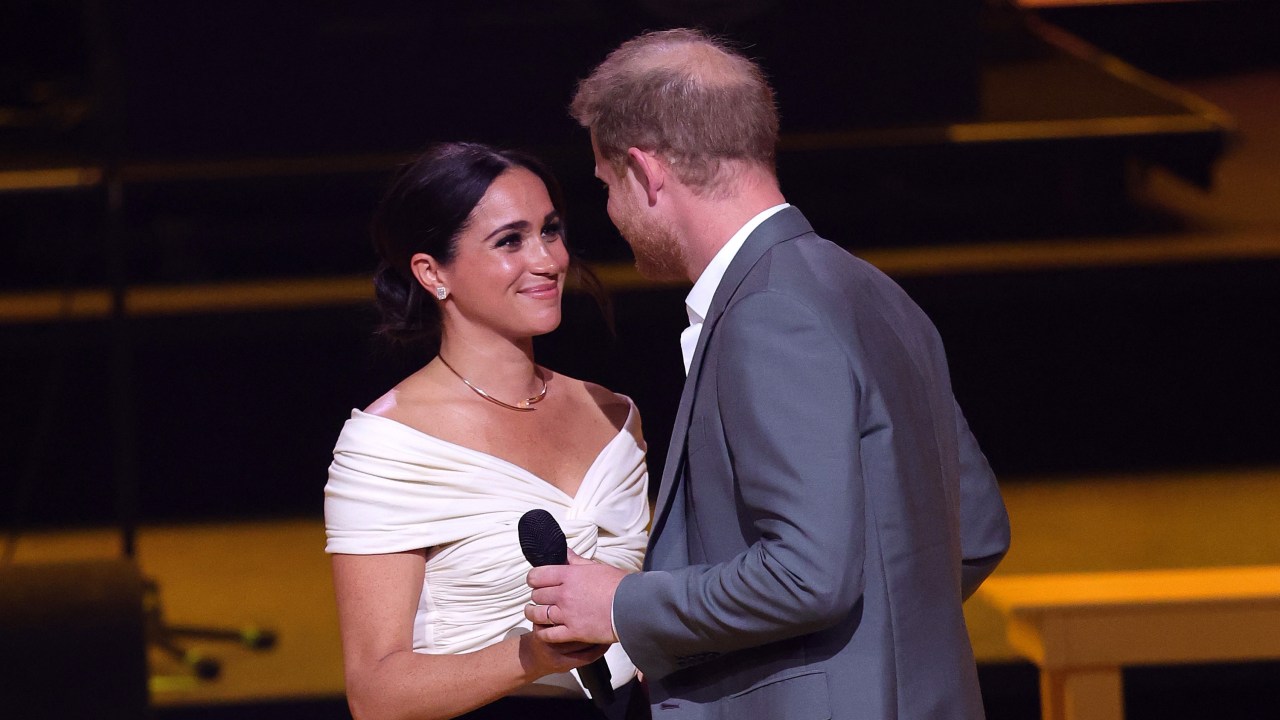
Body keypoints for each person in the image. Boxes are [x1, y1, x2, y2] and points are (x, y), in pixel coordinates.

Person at [525, 28, 1012, 719]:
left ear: (646, 171)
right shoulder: (872, 290)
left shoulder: (767, 314)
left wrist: (620, 603)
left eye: (606, 186)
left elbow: (809, 575)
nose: (611, 212)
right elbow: (979, 532)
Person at [323, 141, 650, 720]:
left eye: (550, 231)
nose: (547, 259)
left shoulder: (613, 414)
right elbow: (375, 694)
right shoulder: (387, 445)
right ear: (432, 273)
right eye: (510, 241)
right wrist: (532, 655)